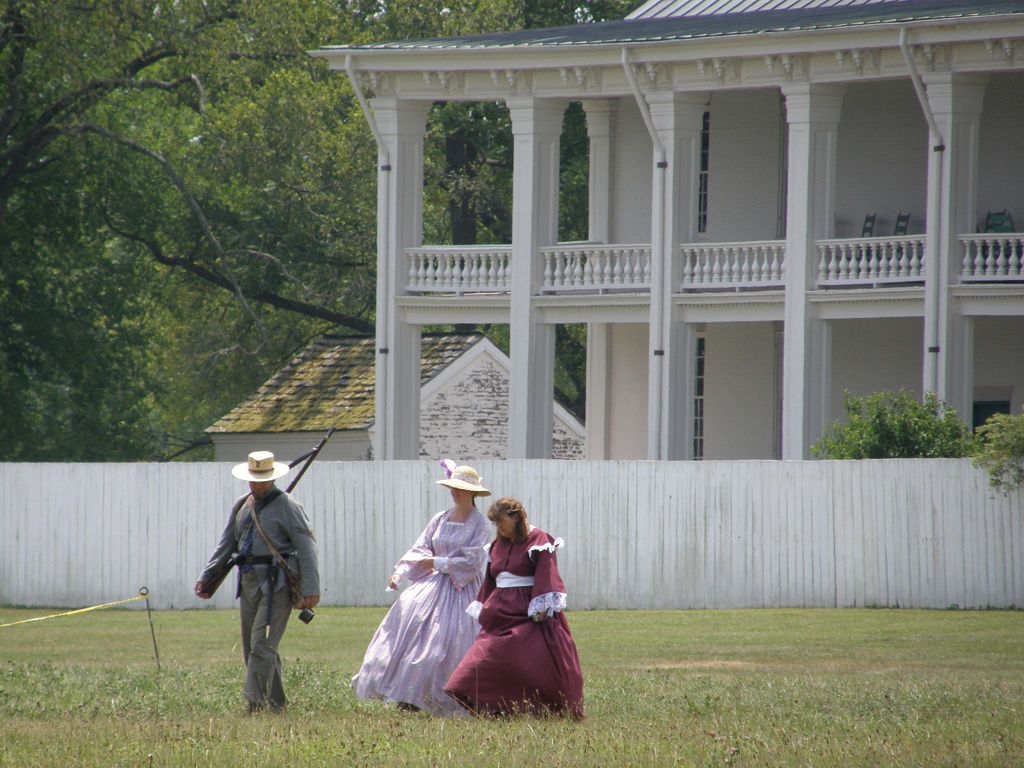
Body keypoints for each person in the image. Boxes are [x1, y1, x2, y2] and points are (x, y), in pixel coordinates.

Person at [352, 461, 491, 715]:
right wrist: (401, 572)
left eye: (459, 488)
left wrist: (437, 562)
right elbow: (421, 548)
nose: (454, 492)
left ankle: (453, 697)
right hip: (432, 587)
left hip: (462, 589)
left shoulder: (480, 524)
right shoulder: (440, 518)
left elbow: (473, 561)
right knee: (410, 627)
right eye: (452, 487)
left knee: (448, 641)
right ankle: (409, 697)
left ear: (473, 493)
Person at [194, 450, 320, 714]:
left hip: (278, 584)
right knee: (253, 646)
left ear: (272, 479)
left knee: (262, 645)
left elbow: (306, 547)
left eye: (262, 479)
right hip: (248, 580)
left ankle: (255, 703)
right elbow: (227, 543)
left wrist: (310, 588)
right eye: (253, 479)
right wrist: (208, 576)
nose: (257, 484)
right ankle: (276, 705)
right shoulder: (242, 504)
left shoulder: (287, 506)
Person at [444, 496, 585, 719]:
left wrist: (540, 608)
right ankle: (491, 707)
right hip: (499, 615)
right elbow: (490, 580)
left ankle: (539, 708)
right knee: (482, 659)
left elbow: (546, 575)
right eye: (495, 523)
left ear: (516, 517)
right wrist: (484, 606)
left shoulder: (539, 539)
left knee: (531, 663)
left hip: (529, 614)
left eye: (501, 521)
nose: (498, 527)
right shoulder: (496, 546)